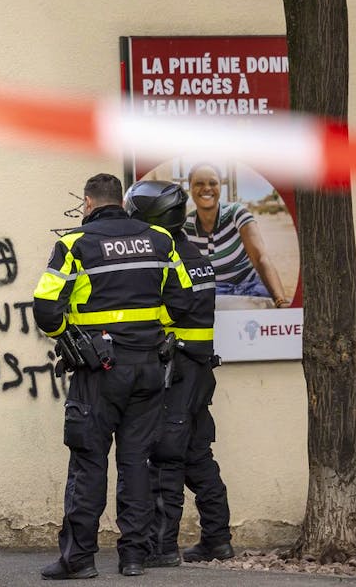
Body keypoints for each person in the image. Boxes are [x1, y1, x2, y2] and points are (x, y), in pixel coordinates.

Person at [33, 173, 193, 579]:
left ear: (88, 203)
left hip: (98, 370)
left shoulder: (75, 244)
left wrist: (70, 338)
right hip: (149, 367)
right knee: (136, 461)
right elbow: (183, 302)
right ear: (120, 201)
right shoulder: (160, 240)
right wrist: (147, 328)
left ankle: (79, 559)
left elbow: (46, 309)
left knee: (88, 462)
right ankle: (134, 556)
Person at [124, 180, 234, 567]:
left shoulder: (170, 256)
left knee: (166, 456)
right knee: (196, 454)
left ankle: (162, 547)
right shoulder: (191, 251)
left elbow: (170, 310)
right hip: (199, 367)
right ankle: (217, 539)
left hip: (178, 368)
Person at [184, 163, 290, 308]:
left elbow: (260, 258)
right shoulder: (185, 227)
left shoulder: (236, 213)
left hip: (250, 288)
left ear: (220, 186)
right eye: (199, 183)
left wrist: (280, 300)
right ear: (190, 188)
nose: (207, 188)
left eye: (213, 183)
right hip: (215, 297)